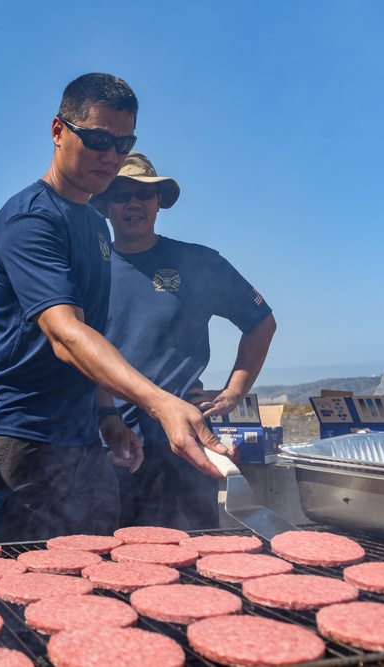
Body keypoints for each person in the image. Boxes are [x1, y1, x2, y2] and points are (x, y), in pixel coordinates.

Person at [0, 73, 226, 544]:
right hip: (16, 436)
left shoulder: (94, 227)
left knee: (95, 576)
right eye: (99, 139)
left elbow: (93, 330)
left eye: (123, 144)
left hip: (82, 439)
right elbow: (66, 336)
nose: (112, 157)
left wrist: (106, 415)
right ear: (58, 131)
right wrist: (162, 402)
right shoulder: (30, 221)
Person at [90, 152, 276, 530]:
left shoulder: (197, 263)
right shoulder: (88, 268)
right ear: (106, 207)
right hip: (102, 443)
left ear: (159, 202)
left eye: (144, 194)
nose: (134, 203)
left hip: (180, 450)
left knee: (188, 564)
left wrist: (233, 393)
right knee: (102, 568)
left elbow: (261, 322)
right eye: (121, 195)